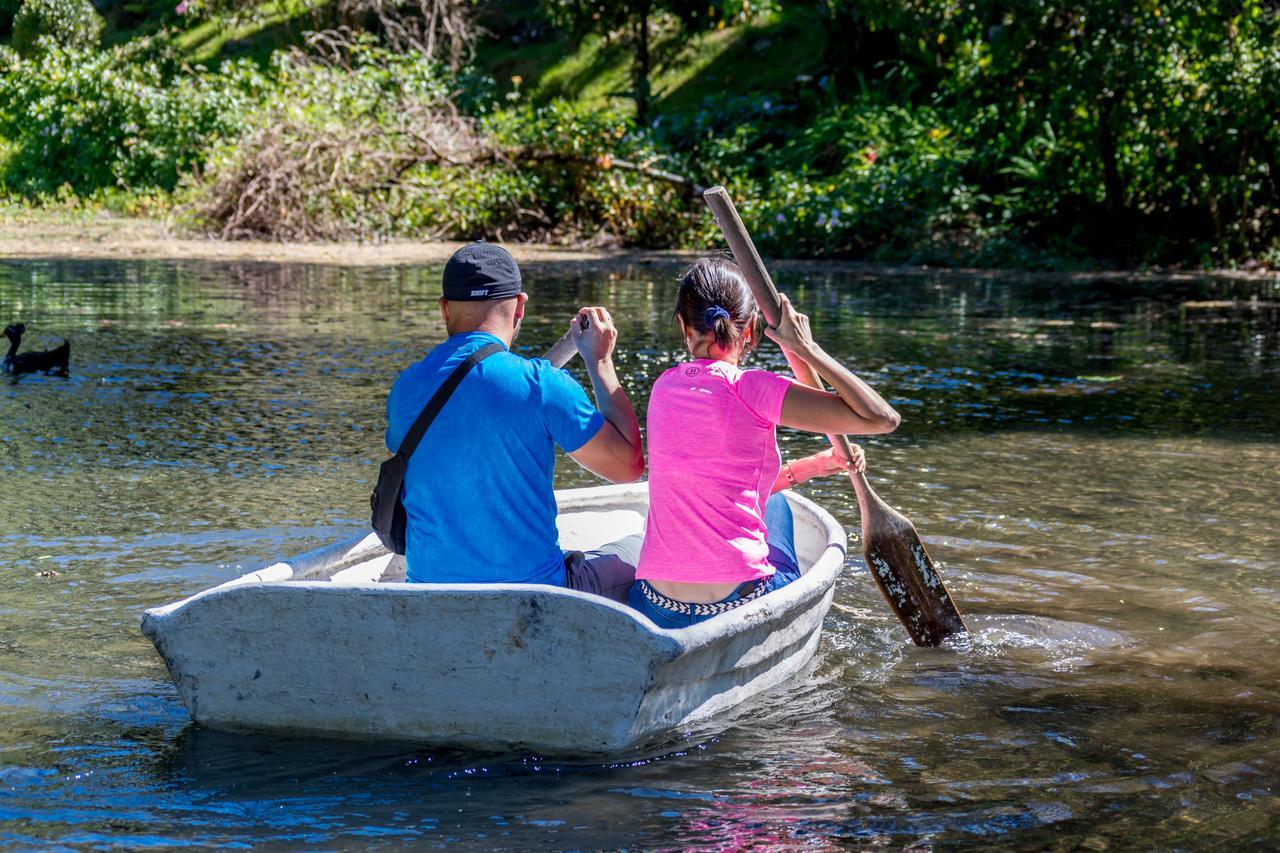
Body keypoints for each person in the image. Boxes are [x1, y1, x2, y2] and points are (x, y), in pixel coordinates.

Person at [630, 257, 901, 627]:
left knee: (765, 498)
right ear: (752, 331)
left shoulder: (662, 387)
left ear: (682, 325)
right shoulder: (752, 388)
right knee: (777, 507)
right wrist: (808, 350)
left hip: (654, 602)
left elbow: (728, 489)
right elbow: (883, 418)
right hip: (736, 606)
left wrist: (816, 465)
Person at [385, 242, 645, 600]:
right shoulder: (540, 385)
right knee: (645, 549)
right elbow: (628, 466)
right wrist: (599, 363)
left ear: (444, 309)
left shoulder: (404, 391)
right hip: (536, 598)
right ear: (520, 306)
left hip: (430, 597)